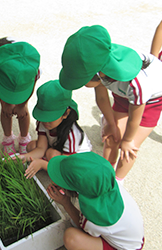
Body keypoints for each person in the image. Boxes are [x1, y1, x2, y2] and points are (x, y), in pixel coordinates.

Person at [59, 25, 162, 183]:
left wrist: (127, 140)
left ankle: (117, 182)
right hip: (122, 94)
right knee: (111, 137)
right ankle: (105, 173)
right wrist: (111, 123)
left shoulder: (137, 83)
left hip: (149, 102)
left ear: (97, 74)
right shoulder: (100, 64)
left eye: (82, 80)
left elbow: (135, 117)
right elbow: (102, 98)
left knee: (129, 148)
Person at [46, 152, 144, 250]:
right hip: (130, 236)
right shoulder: (106, 183)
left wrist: (66, 203)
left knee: (71, 238)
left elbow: (83, 228)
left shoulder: (96, 218)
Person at [17, 80, 92, 179]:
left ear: (65, 113)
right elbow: (41, 148)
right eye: (43, 117)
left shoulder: (73, 133)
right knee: (31, 146)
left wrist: (42, 164)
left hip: (74, 160)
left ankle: (48, 166)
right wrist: (23, 157)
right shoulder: (43, 122)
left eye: (50, 118)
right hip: (56, 148)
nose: (46, 122)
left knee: (52, 155)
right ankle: (46, 163)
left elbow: (66, 164)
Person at [0, 37, 41, 155]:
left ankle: (24, 138)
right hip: (3, 69)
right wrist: (6, 104)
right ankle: (8, 138)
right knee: (5, 109)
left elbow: (31, 85)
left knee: (23, 111)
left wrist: (22, 104)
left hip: (23, 67)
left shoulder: (33, 68)